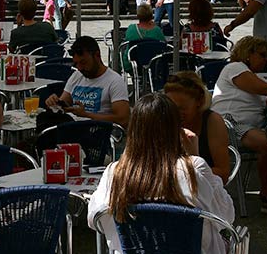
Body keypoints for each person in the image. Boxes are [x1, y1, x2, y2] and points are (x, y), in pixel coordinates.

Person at [88, 93, 234, 254]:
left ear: (133, 130)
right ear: (176, 129)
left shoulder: (115, 171)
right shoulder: (193, 168)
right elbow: (226, 216)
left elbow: (95, 220)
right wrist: (194, 157)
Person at [210, 36, 267, 209]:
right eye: (262, 55)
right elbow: (264, 89)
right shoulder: (235, 68)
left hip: (248, 126)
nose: (265, 59)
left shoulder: (254, 75)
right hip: (229, 123)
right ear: (248, 53)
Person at [45, 36, 129, 128]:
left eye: (83, 62)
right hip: (72, 129)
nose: (80, 68)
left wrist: (87, 115)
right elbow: (64, 103)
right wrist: (54, 103)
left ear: (97, 56)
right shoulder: (77, 76)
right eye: (76, 64)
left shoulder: (115, 81)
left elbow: (123, 120)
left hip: (99, 132)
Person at [164, 71, 230, 184]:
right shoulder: (163, 119)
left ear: (199, 101)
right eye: (171, 107)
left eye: (182, 108)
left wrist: (186, 171)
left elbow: (223, 174)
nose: (175, 113)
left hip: (204, 188)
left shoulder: (212, 121)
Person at [122, 4, 166, 73]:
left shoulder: (131, 29)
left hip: (133, 63)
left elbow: (127, 38)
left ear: (138, 15)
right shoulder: (157, 30)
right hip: (153, 64)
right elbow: (164, 44)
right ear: (151, 15)